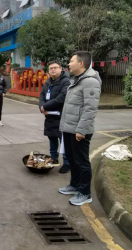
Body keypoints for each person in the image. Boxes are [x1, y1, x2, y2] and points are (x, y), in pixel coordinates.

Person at [59, 51, 102, 206]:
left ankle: (85, 193)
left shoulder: (90, 81)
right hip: (70, 128)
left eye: (71, 61)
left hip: (79, 131)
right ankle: (75, 185)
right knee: (72, 159)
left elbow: (90, 109)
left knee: (82, 161)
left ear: (81, 63)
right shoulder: (77, 80)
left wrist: (81, 130)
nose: (69, 64)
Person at [39, 61, 71, 174]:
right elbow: (42, 95)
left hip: (61, 116)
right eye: (51, 68)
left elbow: (62, 98)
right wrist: (41, 107)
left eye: (55, 68)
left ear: (61, 69)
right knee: (52, 138)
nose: (53, 70)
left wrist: (45, 106)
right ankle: (54, 158)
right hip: (49, 117)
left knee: (64, 141)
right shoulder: (48, 82)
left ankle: (67, 163)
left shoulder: (66, 82)